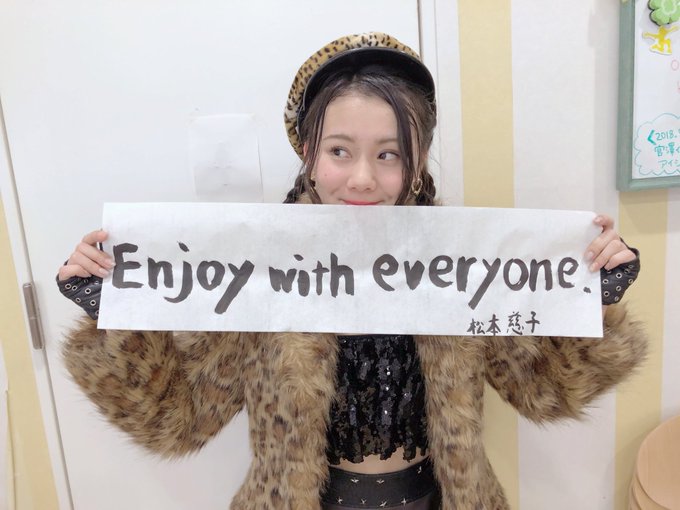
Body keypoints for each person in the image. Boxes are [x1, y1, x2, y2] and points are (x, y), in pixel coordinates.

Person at [57, 32, 646, 510]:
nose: (362, 178)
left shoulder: (465, 263)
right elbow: (174, 419)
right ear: (308, 154)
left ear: (417, 161)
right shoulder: (255, 266)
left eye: (389, 154)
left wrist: (593, 296)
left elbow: (547, 392)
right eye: (339, 150)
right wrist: (112, 311)